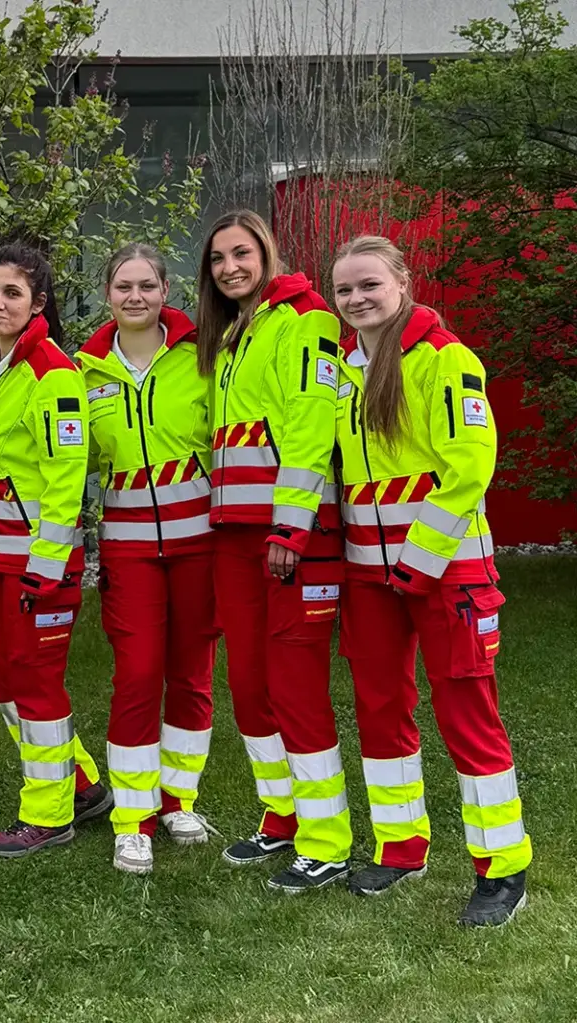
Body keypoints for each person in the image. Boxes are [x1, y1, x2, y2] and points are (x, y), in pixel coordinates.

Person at [329, 235, 530, 925]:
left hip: (448, 573)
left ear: (402, 283)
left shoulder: (448, 360)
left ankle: (502, 866)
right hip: (367, 578)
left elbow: (469, 467)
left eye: (368, 285)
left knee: (466, 716)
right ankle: (400, 846)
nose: (357, 298)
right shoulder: (344, 369)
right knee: (381, 710)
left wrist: (417, 561)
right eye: (345, 289)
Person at [198, 210, 353, 893]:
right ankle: (282, 813)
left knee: (293, 686)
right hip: (232, 534)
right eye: (218, 259)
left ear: (266, 251)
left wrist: (291, 528)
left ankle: (327, 838)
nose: (230, 266)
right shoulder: (234, 333)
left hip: (290, 536)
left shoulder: (306, 319)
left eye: (241, 252)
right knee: (250, 684)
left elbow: (310, 424)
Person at [77, 243, 219, 874]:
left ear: (167, 290)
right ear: (106, 293)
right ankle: (131, 816)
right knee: (137, 674)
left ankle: (177, 798)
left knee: (191, 672)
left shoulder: (203, 356)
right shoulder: (83, 373)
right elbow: (73, 462)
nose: (135, 297)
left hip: (200, 544)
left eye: (147, 286)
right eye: (123, 287)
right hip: (129, 548)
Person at [0, 242, 100, 857]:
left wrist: (45, 570)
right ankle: (85, 784)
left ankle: (47, 814)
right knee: (0, 674)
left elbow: (67, 479)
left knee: (36, 682)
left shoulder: (54, 374)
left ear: (38, 302)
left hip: (38, 565)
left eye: (12, 293)